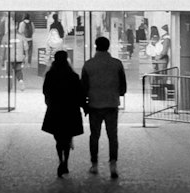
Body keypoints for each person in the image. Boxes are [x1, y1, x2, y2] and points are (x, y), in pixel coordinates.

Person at [80, 35, 127, 178]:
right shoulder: (117, 64)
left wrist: (85, 105)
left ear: (96, 46)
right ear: (108, 46)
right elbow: (123, 88)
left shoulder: (88, 65)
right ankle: (113, 165)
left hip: (94, 104)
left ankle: (94, 165)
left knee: (94, 136)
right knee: (113, 136)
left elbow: (83, 87)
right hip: (112, 104)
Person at [41, 49, 84, 177]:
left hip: (55, 109)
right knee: (68, 135)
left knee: (58, 138)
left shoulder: (50, 75)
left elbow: (45, 91)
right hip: (70, 110)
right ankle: (66, 161)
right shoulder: (73, 76)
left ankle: (61, 160)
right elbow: (79, 93)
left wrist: (49, 103)